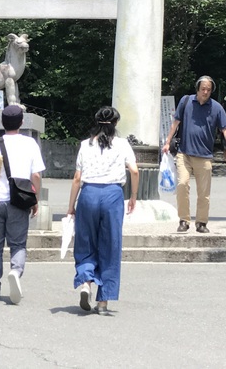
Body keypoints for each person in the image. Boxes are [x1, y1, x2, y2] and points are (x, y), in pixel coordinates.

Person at [66, 106, 139, 314]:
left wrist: (71, 207)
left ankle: (86, 282)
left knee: (86, 241)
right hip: (112, 195)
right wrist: (133, 196)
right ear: (116, 123)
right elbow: (134, 170)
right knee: (110, 245)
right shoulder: (123, 144)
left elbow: (77, 178)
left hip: (88, 194)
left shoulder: (85, 144)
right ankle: (103, 301)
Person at [0, 104, 45, 303]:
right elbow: (36, 175)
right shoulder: (30, 144)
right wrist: (35, 199)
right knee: (18, 244)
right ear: (21, 122)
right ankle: (15, 271)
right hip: (19, 202)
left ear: (2, 122)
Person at [163, 75, 226, 233]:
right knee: (182, 184)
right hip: (184, 153)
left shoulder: (216, 107)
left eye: (208, 90)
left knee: (204, 192)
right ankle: (184, 219)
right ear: (197, 89)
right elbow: (176, 122)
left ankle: (201, 222)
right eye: (203, 89)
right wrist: (168, 141)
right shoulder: (186, 101)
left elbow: (225, 128)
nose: (205, 92)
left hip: (204, 155)